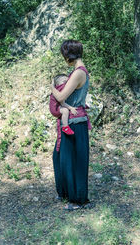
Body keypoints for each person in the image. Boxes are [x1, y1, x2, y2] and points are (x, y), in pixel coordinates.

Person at [51, 39, 91, 211]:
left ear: (69, 56)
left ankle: (78, 200)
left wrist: (51, 87)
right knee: (61, 158)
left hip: (76, 122)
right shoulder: (75, 71)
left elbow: (60, 97)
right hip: (72, 120)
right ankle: (67, 193)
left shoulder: (78, 73)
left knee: (75, 161)